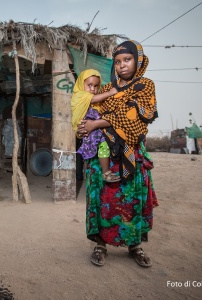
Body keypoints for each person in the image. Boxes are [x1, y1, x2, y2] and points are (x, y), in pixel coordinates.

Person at [77, 40, 159, 268]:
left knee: (131, 199)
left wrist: (97, 124)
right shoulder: (105, 90)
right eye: (118, 62)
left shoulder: (145, 86)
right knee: (102, 198)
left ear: (138, 60)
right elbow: (89, 113)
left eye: (127, 59)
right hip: (103, 155)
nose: (122, 65)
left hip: (131, 154)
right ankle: (100, 244)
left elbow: (135, 118)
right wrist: (85, 126)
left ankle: (135, 246)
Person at [71, 69, 120, 182]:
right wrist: (110, 92)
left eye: (96, 86)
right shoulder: (79, 94)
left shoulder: (97, 102)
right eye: (89, 85)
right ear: (81, 84)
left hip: (95, 130)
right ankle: (104, 171)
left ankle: (105, 171)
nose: (93, 89)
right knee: (99, 146)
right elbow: (93, 99)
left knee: (104, 146)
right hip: (85, 128)